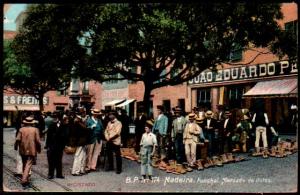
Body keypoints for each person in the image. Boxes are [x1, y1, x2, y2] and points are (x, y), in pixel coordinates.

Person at [14, 117, 41, 188]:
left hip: (22, 150)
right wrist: (39, 149)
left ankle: (25, 178)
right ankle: (24, 180)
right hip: (32, 150)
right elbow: (38, 141)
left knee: (24, 164)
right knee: (28, 165)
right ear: (32, 123)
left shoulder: (21, 129)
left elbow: (17, 139)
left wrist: (16, 146)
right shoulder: (35, 130)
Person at [45, 111, 69, 179]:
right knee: (51, 160)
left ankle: (59, 174)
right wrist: (47, 145)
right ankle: (50, 174)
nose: (54, 118)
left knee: (59, 160)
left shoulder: (64, 125)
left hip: (59, 145)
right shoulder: (52, 124)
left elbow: (66, 135)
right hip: (52, 145)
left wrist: (65, 144)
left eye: (56, 117)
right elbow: (48, 136)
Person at [71, 108, 90, 176]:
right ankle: (76, 171)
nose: (85, 113)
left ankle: (81, 170)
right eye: (84, 112)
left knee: (82, 156)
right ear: (82, 113)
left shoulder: (78, 119)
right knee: (78, 156)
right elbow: (85, 128)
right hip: (80, 141)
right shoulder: (78, 120)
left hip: (81, 140)